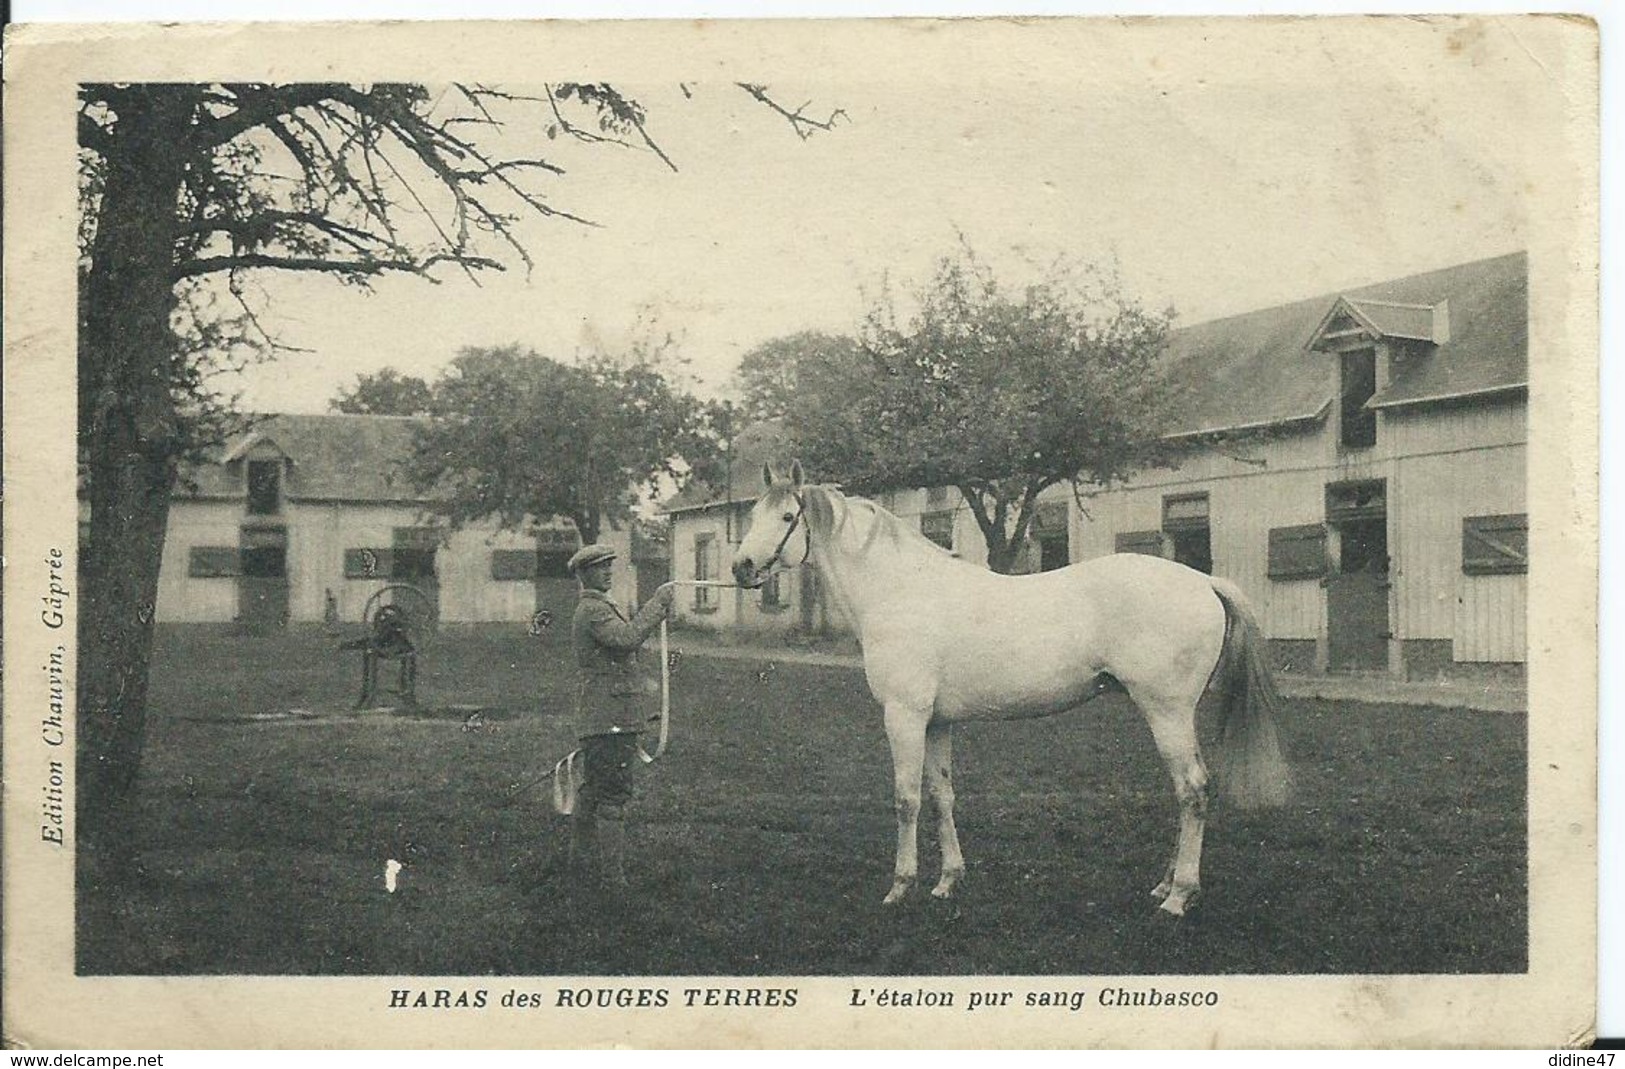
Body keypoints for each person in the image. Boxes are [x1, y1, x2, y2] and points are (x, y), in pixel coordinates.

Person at [565, 542, 674, 887]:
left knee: (594, 790)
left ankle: (579, 864)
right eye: (600, 568)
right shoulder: (594, 610)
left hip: (606, 716)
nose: (608, 572)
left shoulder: (598, 606)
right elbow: (627, 638)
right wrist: (657, 604)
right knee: (612, 795)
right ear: (585, 575)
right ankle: (613, 880)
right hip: (607, 718)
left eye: (610, 566)